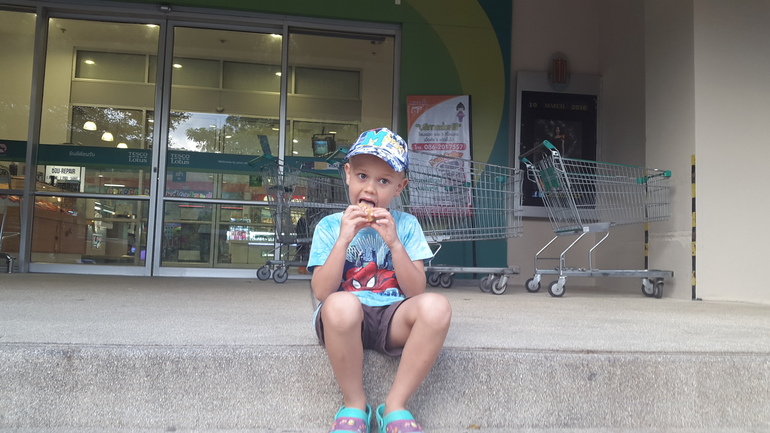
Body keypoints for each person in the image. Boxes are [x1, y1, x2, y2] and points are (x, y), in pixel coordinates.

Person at [308, 127, 452, 433]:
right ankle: (354, 404)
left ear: (400, 187)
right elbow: (321, 291)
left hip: (392, 317)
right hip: (344, 321)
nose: (371, 189)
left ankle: (395, 405)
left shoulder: (407, 225)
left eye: (383, 181)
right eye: (362, 176)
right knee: (341, 305)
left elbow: (415, 291)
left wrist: (395, 244)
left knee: (437, 307)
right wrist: (343, 240)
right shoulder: (329, 226)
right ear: (348, 174)